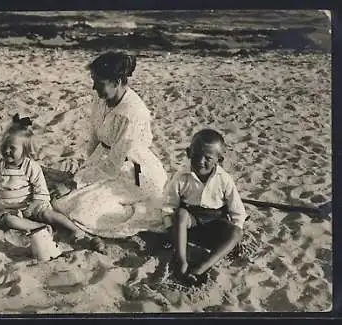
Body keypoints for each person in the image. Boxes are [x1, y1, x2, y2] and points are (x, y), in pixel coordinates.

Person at [53, 51, 168, 241]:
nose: (94, 87)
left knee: (82, 207)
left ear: (117, 81)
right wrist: (84, 170)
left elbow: (116, 162)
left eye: (99, 83)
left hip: (134, 171)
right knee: (65, 200)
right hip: (104, 162)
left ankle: (138, 215)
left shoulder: (134, 114)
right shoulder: (101, 100)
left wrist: (75, 182)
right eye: (94, 81)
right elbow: (95, 138)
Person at [0, 113, 86, 240]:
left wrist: (33, 206)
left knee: (48, 213)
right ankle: (40, 227)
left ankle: (74, 229)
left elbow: (41, 191)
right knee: (8, 220)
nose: (7, 151)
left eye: (12, 148)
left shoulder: (31, 167)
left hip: (31, 205)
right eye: (4, 147)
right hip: (8, 208)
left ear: (25, 150)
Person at [164, 129, 247, 285]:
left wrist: (234, 233)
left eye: (208, 158)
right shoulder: (181, 177)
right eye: (196, 156)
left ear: (219, 159)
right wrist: (171, 229)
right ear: (188, 153)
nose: (200, 161)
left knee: (236, 232)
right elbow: (169, 205)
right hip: (191, 223)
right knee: (180, 214)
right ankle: (182, 259)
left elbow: (238, 212)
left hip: (215, 223)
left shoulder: (224, 179)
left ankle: (203, 267)